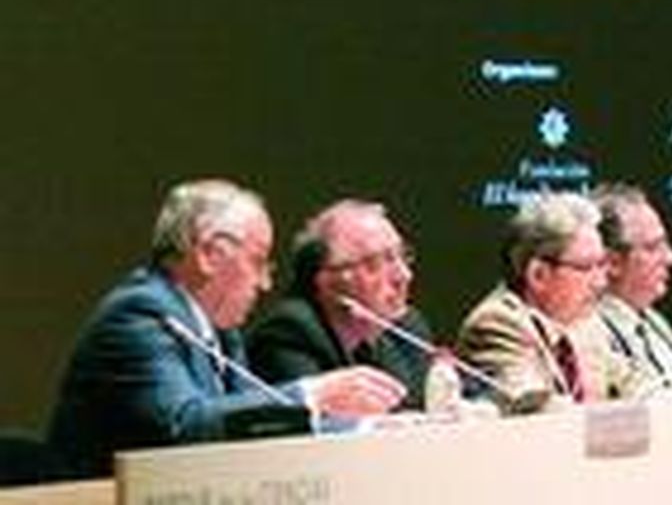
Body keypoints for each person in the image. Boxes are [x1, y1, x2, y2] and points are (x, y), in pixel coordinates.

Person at [47, 180, 406, 478]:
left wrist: (367, 431)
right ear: (209, 255)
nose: (265, 283)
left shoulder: (220, 331)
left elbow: (257, 424)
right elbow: (183, 426)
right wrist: (312, 395)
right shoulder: (140, 315)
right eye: (258, 261)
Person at [456, 191, 646, 409]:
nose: (600, 282)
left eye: (601, 264)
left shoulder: (587, 324)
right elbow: (535, 408)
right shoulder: (496, 324)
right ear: (539, 275)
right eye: (586, 267)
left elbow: (637, 384)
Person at [246, 200, 431, 409]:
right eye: (377, 262)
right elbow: (319, 427)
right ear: (325, 280)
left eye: (401, 256)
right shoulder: (290, 332)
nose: (404, 276)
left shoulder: (406, 330)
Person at [592, 183, 672, 399]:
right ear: (612, 262)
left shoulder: (655, 321)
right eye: (653, 248)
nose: (671, 258)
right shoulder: (591, 331)